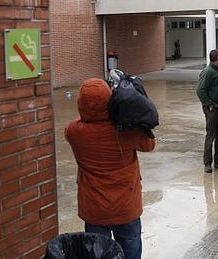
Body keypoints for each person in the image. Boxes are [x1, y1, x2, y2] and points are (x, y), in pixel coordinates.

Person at [65, 78, 156, 259]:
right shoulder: (125, 131)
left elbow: (79, 122)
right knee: (130, 250)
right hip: (125, 206)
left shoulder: (74, 132)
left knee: (97, 254)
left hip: (94, 208)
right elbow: (149, 144)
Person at [196, 49, 218, 173]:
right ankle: (207, 163)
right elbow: (200, 90)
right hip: (213, 109)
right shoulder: (208, 72)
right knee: (211, 135)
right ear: (217, 57)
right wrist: (209, 104)